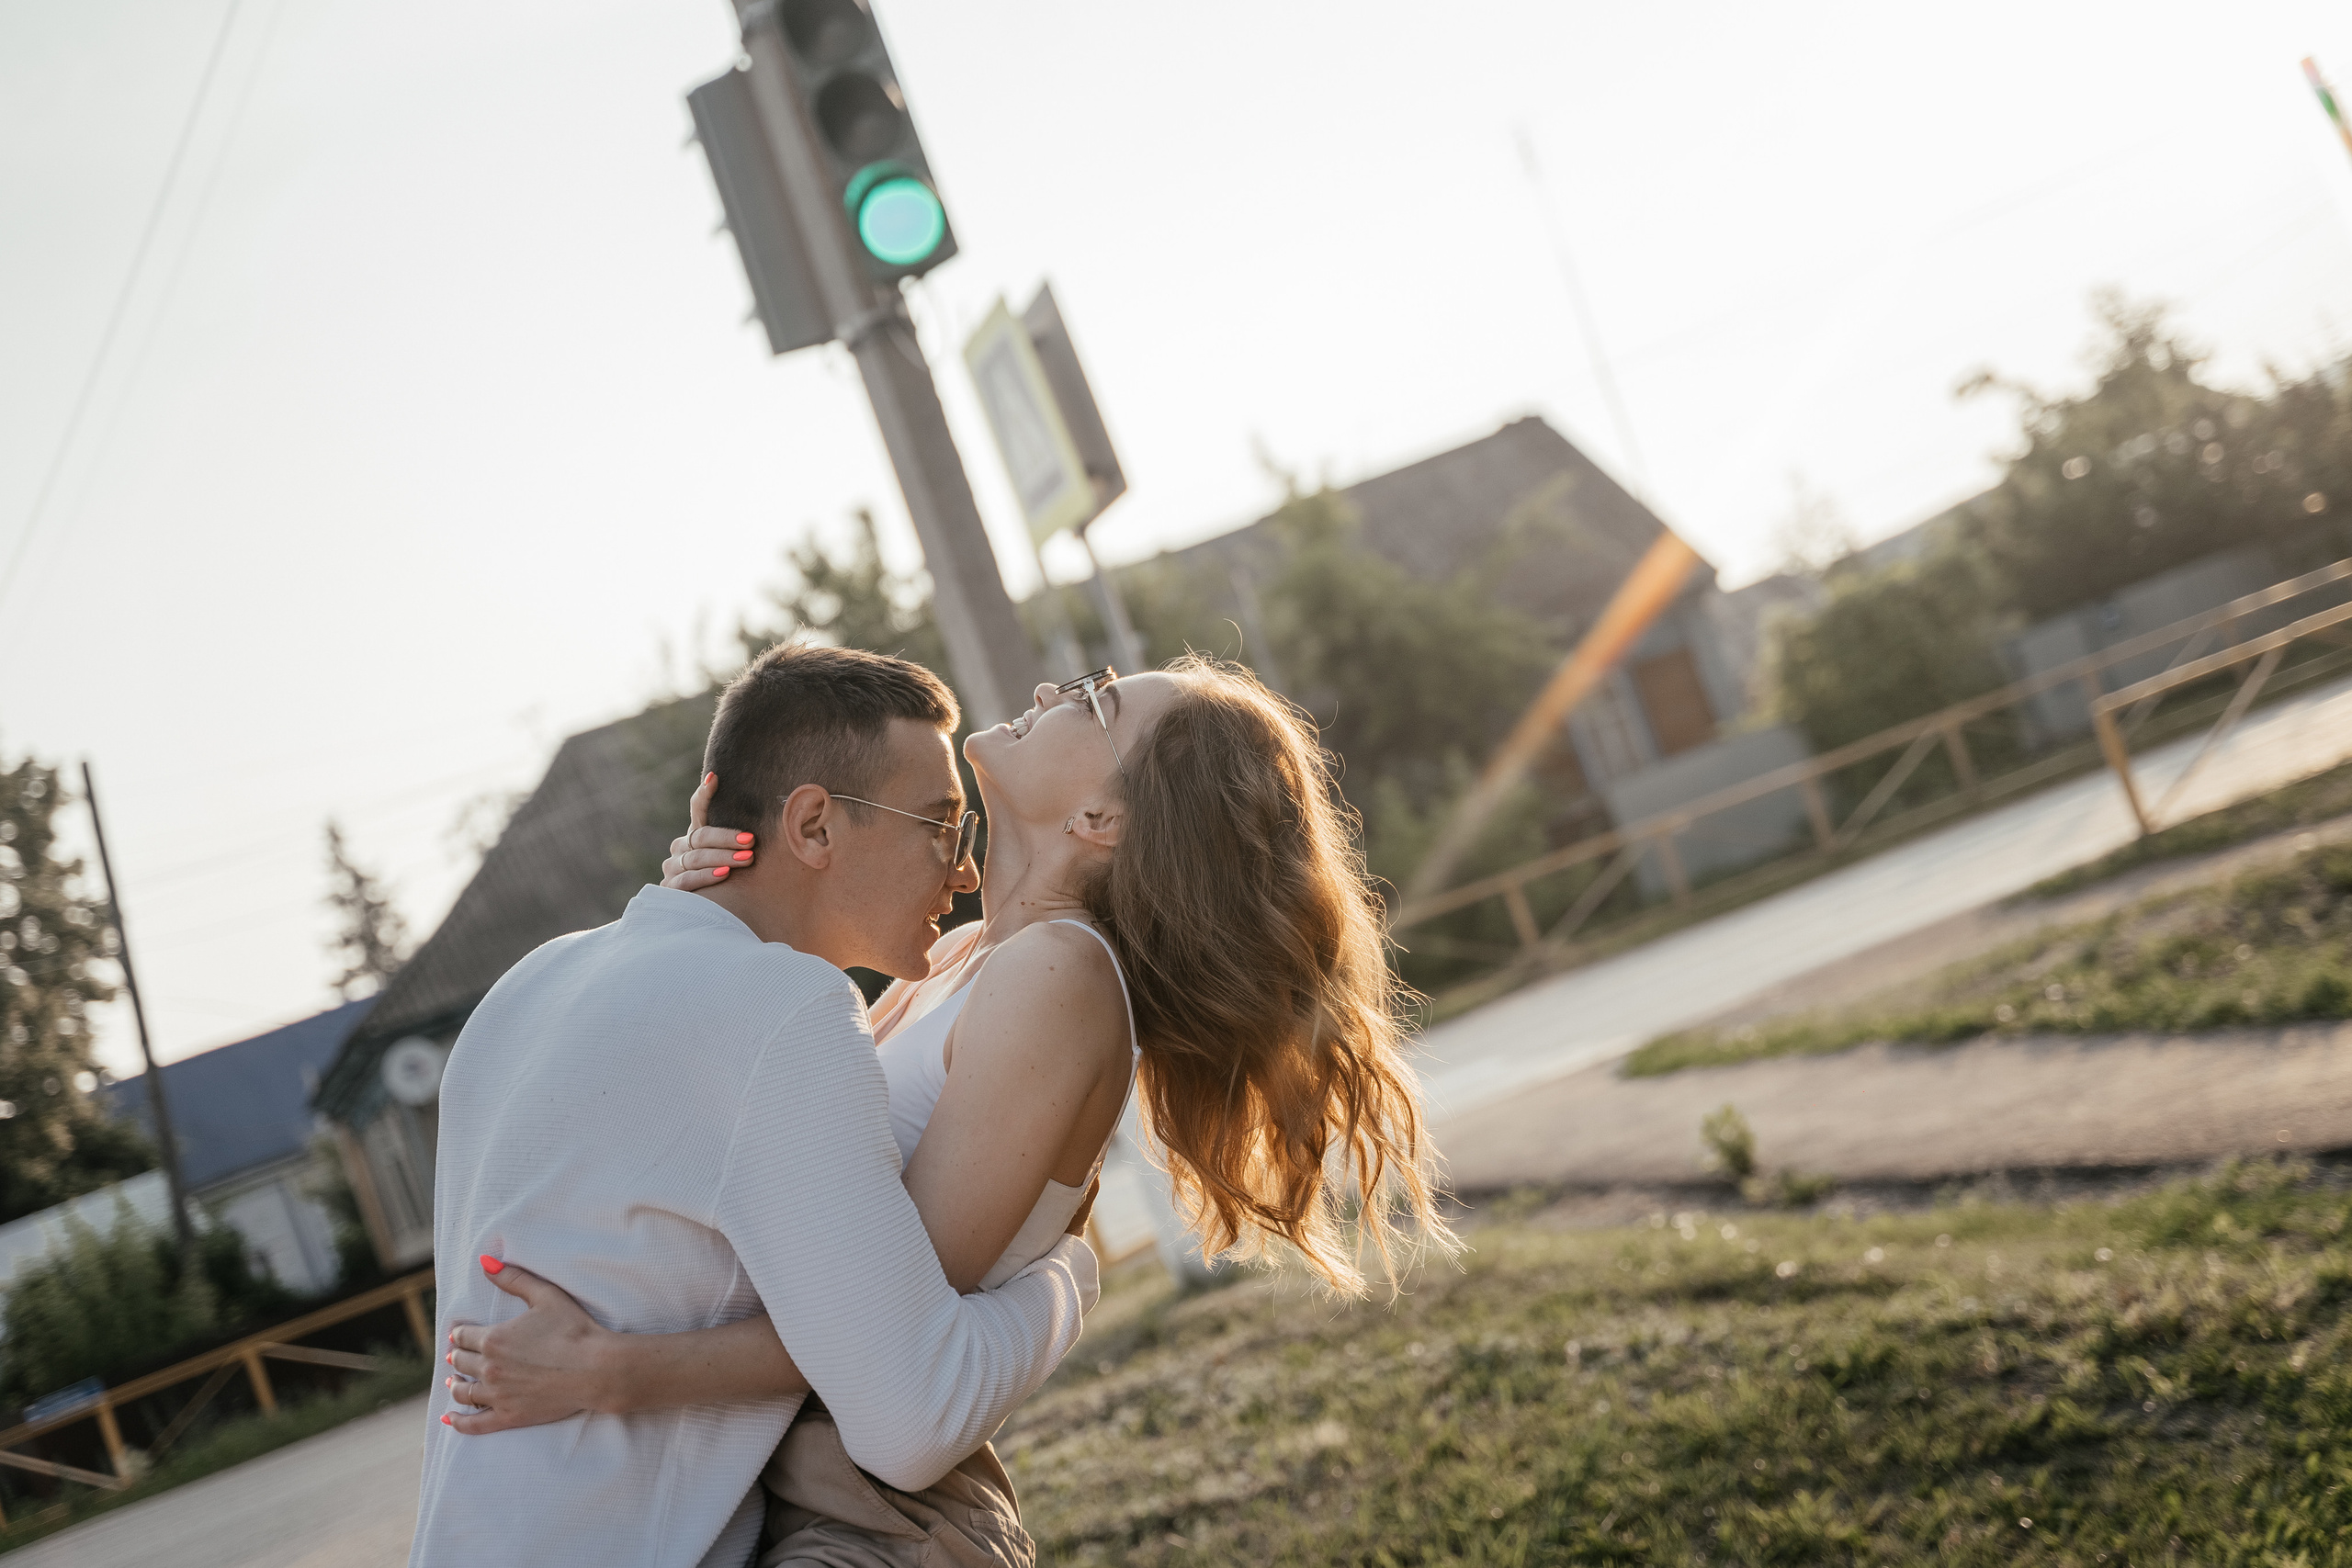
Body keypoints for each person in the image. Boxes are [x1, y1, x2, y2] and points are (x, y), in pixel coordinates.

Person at [442, 655, 1450, 1565]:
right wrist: (709, 922)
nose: (1056, 688)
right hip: (793, 1492)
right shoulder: (970, 958)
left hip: (875, 1520)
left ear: (1102, 821)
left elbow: (887, 1341)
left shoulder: (1060, 975)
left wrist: (612, 1371)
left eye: (1096, 699)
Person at [410, 642, 1101, 1568]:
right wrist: (1070, 1277)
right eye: (939, 824)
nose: (963, 869)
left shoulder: (528, 987)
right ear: (813, 825)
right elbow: (919, 1414)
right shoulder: (788, 1015)